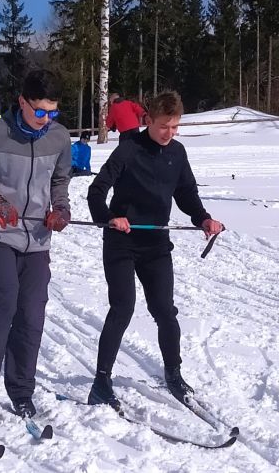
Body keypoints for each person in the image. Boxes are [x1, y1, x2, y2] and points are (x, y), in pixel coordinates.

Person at [86, 91, 224, 410]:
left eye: (175, 127)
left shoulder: (177, 153)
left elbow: (186, 193)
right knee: (123, 308)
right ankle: (101, 381)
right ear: (149, 120)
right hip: (121, 242)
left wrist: (203, 218)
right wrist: (108, 218)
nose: (170, 133)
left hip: (156, 245)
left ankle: (173, 374)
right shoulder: (129, 149)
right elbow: (97, 191)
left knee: (165, 311)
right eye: (164, 126)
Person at [0, 69, 72, 420]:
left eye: (53, 113)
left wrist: (61, 209)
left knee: (32, 314)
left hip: (37, 239)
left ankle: (21, 391)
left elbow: (61, 180)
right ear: (22, 102)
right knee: (4, 305)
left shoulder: (59, 138)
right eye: (40, 111)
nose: (46, 120)